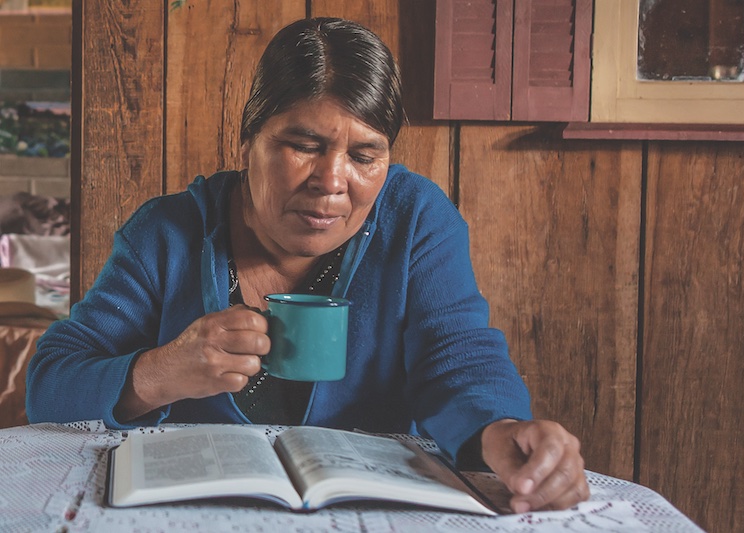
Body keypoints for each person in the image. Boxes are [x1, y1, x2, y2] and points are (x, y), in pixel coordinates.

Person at [26, 17, 588, 512]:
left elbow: (461, 358)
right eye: (303, 145)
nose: (332, 181)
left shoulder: (416, 220)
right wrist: (156, 374)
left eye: (365, 156)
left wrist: (501, 430)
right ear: (249, 139)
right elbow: (50, 382)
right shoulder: (167, 233)